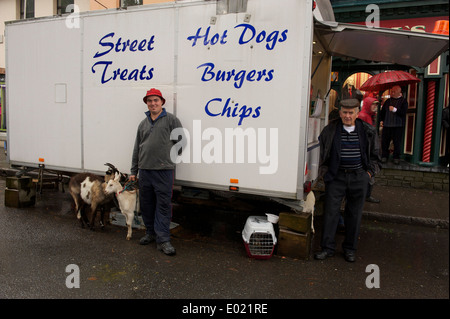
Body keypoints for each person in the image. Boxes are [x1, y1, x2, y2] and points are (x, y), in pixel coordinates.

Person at [314, 99, 381, 262]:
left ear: (357, 113)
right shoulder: (330, 130)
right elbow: (321, 154)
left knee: (354, 215)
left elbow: (376, 156)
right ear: (340, 112)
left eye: (351, 112)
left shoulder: (368, 131)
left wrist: (369, 175)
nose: (347, 116)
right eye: (344, 112)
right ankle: (327, 248)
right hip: (336, 177)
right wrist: (325, 173)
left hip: (359, 177)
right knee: (331, 213)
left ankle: (350, 249)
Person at [130, 88, 184, 256]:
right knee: (147, 205)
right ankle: (150, 233)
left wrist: (167, 159)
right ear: (146, 103)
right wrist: (134, 171)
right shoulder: (143, 123)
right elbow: (137, 148)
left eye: (156, 100)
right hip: (145, 171)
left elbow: (181, 143)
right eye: (150, 101)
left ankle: (164, 240)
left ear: (162, 102)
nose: (153, 103)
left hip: (163, 171)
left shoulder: (171, 120)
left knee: (163, 205)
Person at [358, 97, 381, 203]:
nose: (375, 107)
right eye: (373, 105)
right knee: (369, 174)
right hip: (366, 151)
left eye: (376, 105)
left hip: (369, 150)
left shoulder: (369, 116)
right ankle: (365, 195)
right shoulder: (363, 116)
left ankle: (366, 195)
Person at [379, 85, 408, 165]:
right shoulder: (388, 101)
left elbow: (403, 112)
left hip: (398, 125)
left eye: (394, 91)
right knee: (385, 142)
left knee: (396, 142)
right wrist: (381, 120)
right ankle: (384, 156)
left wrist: (395, 109)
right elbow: (383, 112)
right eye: (391, 91)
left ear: (399, 92)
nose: (392, 93)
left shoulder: (403, 101)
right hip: (387, 125)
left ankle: (396, 157)